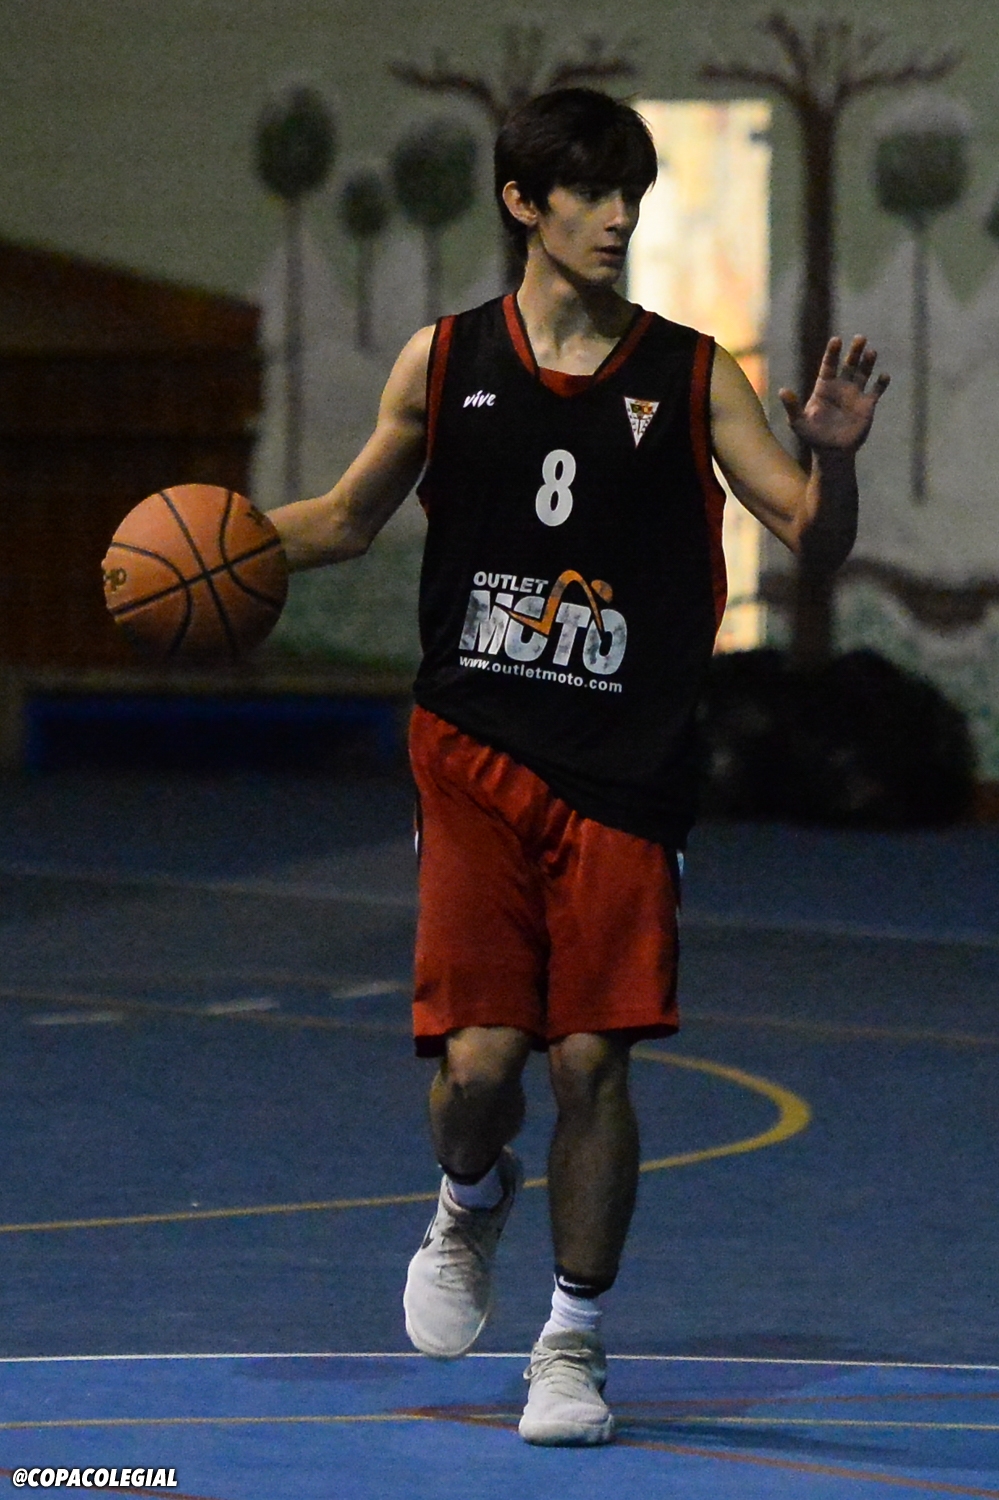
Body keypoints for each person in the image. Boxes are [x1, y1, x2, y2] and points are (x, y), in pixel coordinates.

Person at [269, 87, 889, 1446]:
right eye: (593, 193)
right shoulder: (444, 361)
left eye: (632, 195)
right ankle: (469, 1196)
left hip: (628, 765)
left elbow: (810, 532)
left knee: (592, 1063)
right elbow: (342, 520)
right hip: (475, 754)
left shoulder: (690, 373)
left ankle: (572, 1342)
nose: (619, 218)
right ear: (523, 203)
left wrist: (833, 463)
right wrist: (224, 548)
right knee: (482, 1074)